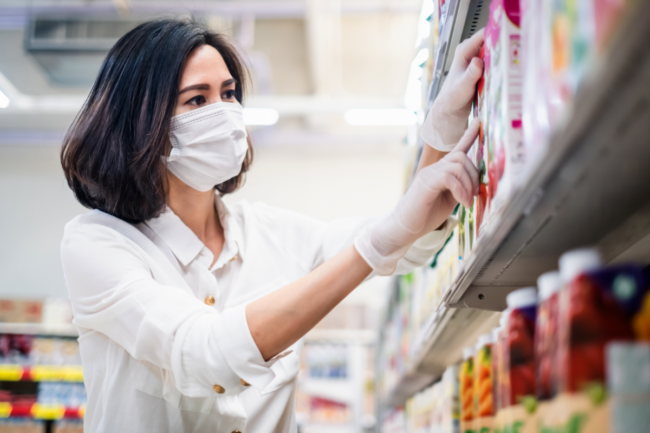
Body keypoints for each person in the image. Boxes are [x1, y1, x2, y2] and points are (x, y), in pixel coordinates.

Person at [59, 19, 483, 433]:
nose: (224, 113)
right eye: (196, 100)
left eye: (229, 94)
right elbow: (202, 353)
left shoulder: (273, 233)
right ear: (140, 122)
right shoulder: (98, 243)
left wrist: (443, 130)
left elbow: (406, 241)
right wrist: (374, 245)